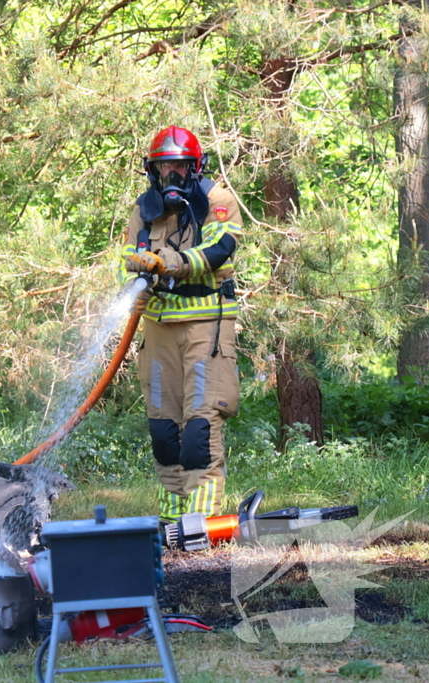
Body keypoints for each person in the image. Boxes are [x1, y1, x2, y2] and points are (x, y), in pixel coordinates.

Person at [120, 126, 243, 523]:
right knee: (164, 431)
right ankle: (173, 521)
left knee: (199, 429)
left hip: (206, 327)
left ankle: (202, 519)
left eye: (179, 165)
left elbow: (222, 247)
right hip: (157, 330)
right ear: (152, 169)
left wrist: (175, 262)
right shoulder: (144, 209)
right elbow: (132, 252)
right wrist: (138, 268)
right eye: (163, 166)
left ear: (195, 166)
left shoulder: (217, 201)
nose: (171, 173)